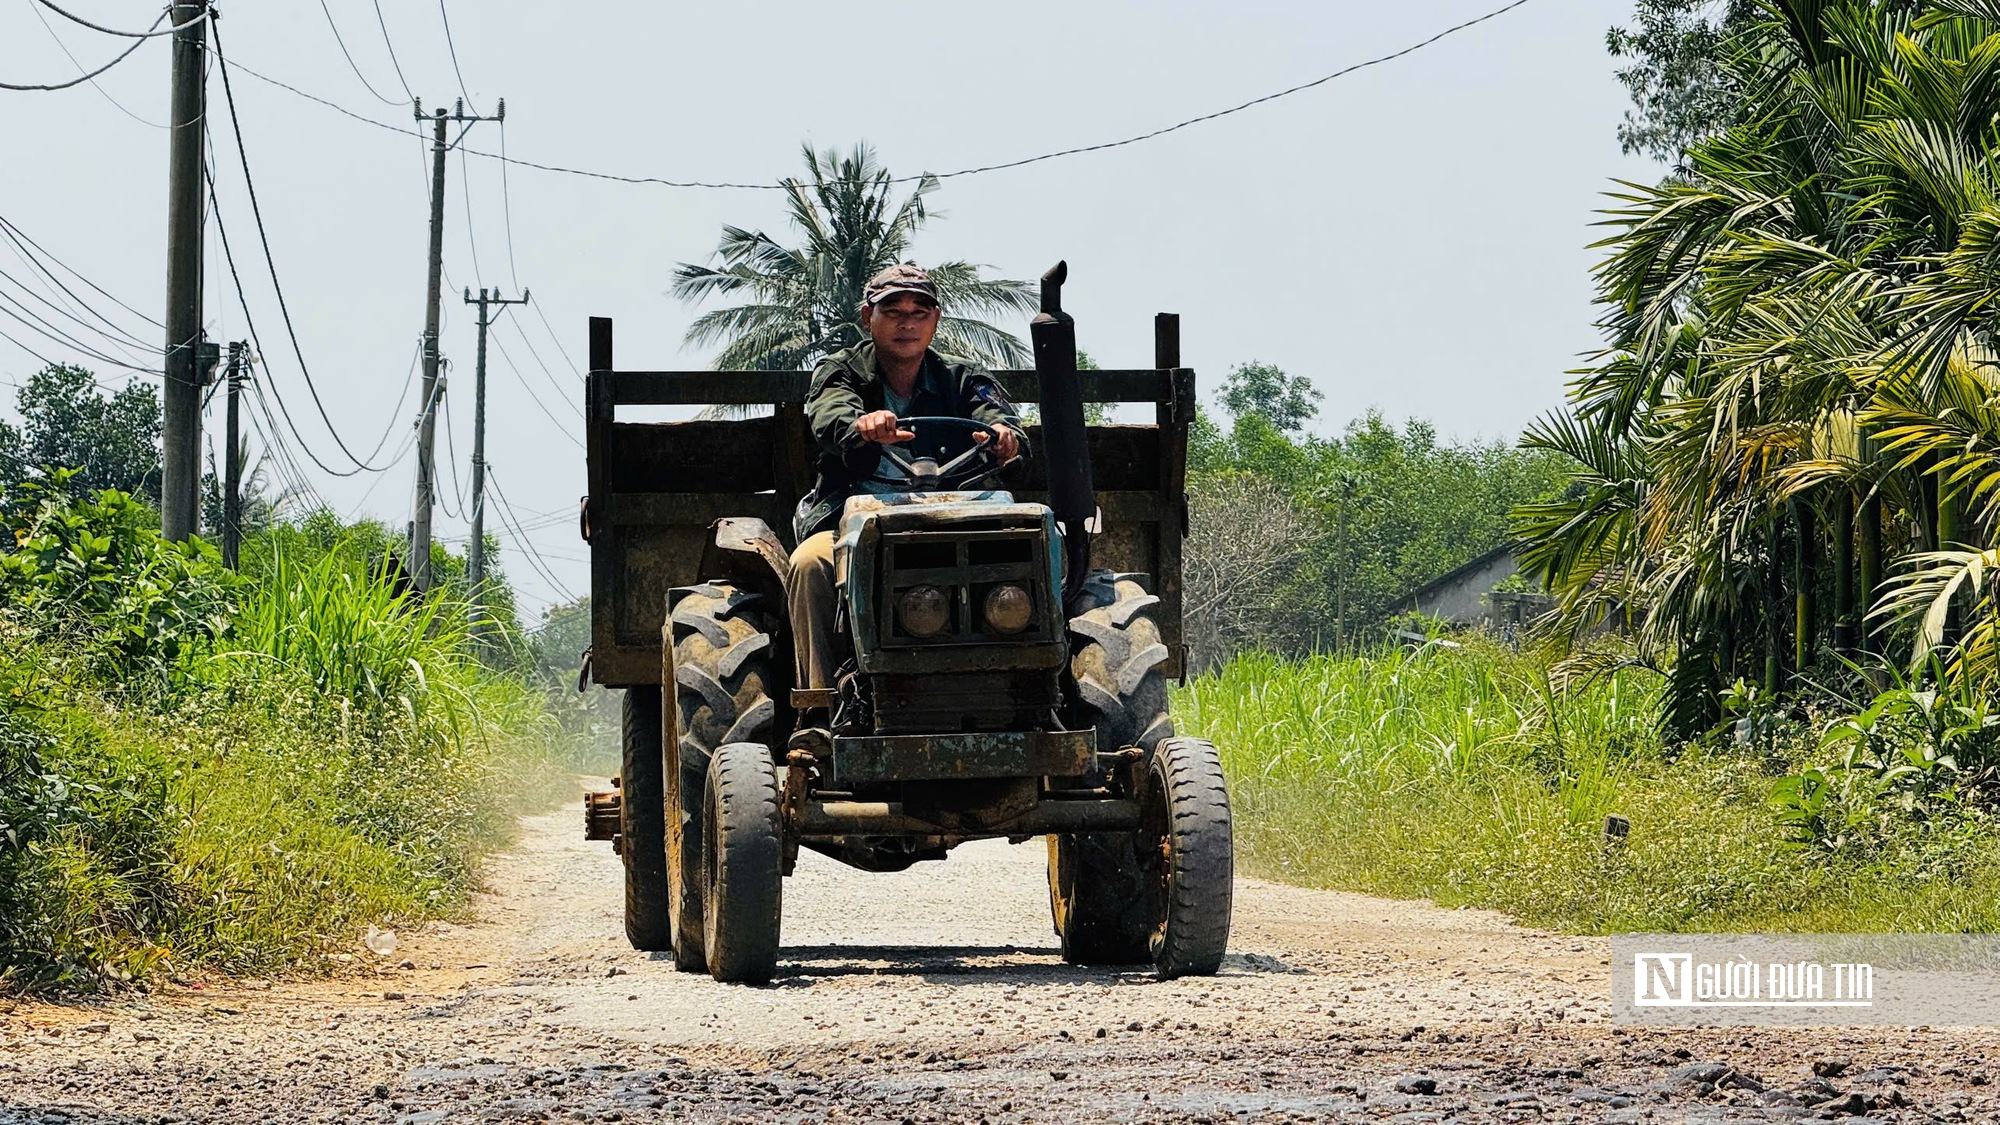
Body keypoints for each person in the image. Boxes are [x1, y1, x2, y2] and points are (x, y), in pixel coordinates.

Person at [788, 264, 1028, 693]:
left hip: (955, 522)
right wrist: (860, 426)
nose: (907, 322)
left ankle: (1032, 690)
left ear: (935, 320)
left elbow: (1001, 420)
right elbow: (830, 415)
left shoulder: (963, 377)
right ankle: (819, 708)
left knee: (1040, 557)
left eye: (920, 312)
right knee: (810, 565)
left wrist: (1005, 439)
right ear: (868, 317)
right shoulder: (840, 371)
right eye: (893, 310)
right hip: (855, 521)